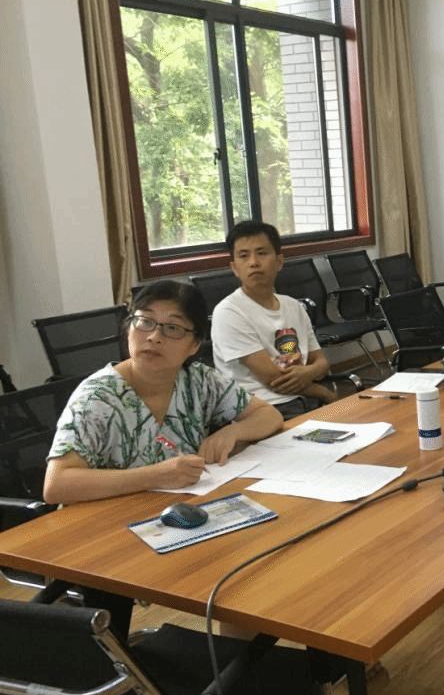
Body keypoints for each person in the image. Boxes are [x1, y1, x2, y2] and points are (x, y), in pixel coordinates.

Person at [44, 280, 282, 637]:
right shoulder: (98, 397)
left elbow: (269, 416)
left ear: (193, 344)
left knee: (250, 559)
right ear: (129, 329)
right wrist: (155, 475)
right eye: (145, 322)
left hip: (176, 519)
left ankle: (234, 659)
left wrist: (232, 432)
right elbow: (57, 485)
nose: (154, 337)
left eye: (173, 328)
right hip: (103, 536)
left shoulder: (197, 380)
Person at [212, 221, 338, 419]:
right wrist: (325, 393)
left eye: (262, 253)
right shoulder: (229, 312)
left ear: (279, 261)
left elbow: (321, 362)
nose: (254, 262)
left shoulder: (293, 306)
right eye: (244, 256)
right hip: (261, 410)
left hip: (304, 400)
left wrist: (310, 372)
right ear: (234, 268)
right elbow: (274, 380)